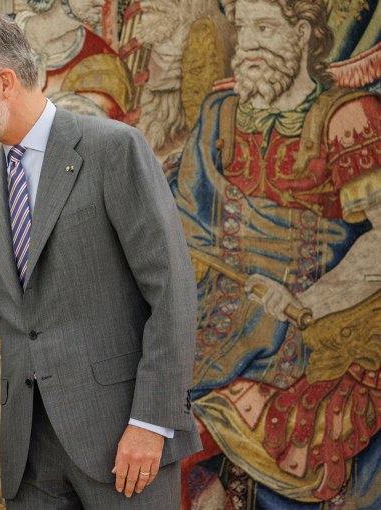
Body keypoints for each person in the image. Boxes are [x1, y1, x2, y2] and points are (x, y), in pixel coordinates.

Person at [0, 13, 201, 508]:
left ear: (4, 81)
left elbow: (172, 292)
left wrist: (150, 422)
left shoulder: (114, 150)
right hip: (29, 453)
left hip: (124, 440)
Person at [170, 0, 380, 506]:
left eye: (266, 28)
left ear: (304, 34)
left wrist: (308, 300)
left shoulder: (349, 118)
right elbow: (180, 226)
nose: (250, 44)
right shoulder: (220, 114)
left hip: (306, 325)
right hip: (213, 313)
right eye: (244, 30)